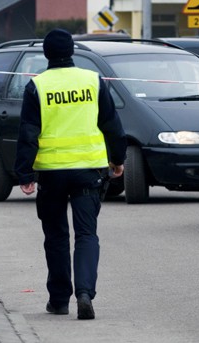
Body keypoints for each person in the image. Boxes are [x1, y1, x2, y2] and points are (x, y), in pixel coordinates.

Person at [15, 29, 127, 320]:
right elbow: (111, 124)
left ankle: (60, 299)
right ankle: (85, 294)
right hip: (89, 170)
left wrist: (25, 173)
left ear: (46, 54)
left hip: (51, 174)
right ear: (73, 52)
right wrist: (117, 160)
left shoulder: (37, 86)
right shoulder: (92, 81)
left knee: (56, 236)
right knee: (87, 234)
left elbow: (28, 133)